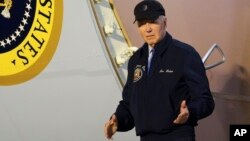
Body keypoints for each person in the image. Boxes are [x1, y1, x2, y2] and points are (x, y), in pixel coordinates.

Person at [104, 0, 215, 141]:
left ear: (165, 22)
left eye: (152, 22)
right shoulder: (135, 60)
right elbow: (129, 103)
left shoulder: (185, 54)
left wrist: (190, 112)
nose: (147, 28)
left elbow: (205, 101)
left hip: (178, 136)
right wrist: (118, 120)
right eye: (142, 23)